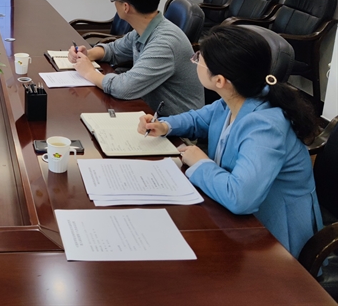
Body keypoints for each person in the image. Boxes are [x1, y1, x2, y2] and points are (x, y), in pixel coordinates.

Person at [138, 25, 322, 258]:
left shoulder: (265, 127)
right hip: (238, 219)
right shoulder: (236, 97)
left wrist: (201, 163)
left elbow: (241, 199)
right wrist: (165, 125)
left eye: (199, 59)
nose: (195, 61)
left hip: (275, 239)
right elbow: (198, 119)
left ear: (220, 80)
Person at [69, 0, 203, 116]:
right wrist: (88, 54)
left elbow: (124, 88)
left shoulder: (164, 43)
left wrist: (89, 72)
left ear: (126, 7)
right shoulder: (146, 28)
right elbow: (114, 49)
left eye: (114, 0)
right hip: (151, 111)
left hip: (177, 124)